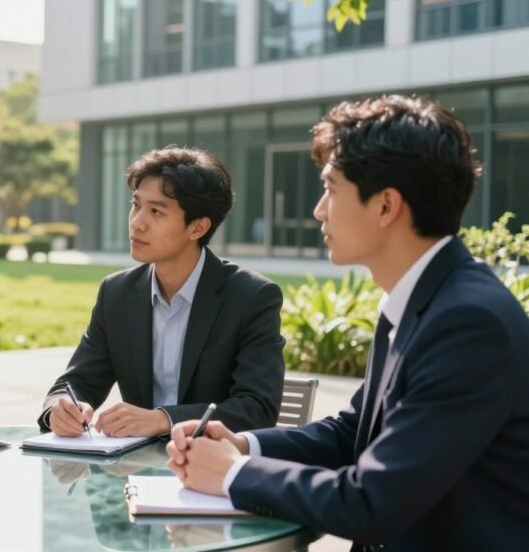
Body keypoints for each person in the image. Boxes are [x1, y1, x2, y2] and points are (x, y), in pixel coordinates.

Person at [166, 96, 529, 549]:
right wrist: (244, 445)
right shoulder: (420, 300)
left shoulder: (469, 323)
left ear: (385, 206)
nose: (319, 210)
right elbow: (352, 434)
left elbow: (373, 502)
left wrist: (232, 473)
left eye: (332, 190)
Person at [39, 147, 285, 438]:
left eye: (155, 211)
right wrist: (61, 407)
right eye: (136, 205)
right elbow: (77, 381)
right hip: (134, 470)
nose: (136, 222)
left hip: (212, 469)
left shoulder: (252, 297)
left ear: (197, 227)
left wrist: (164, 419)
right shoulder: (116, 293)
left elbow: (256, 409)